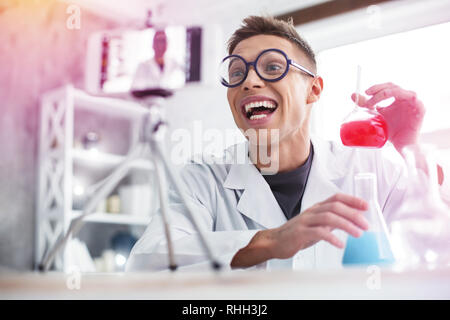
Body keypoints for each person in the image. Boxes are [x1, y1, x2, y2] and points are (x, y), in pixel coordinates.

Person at [126, 16, 448, 271]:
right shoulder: (203, 178)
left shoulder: (368, 169)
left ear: (314, 90)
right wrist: (271, 242)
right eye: (237, 73)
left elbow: (438, 246)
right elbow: (148, 259)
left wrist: (409, 146)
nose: (249, 82)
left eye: (273, 66)